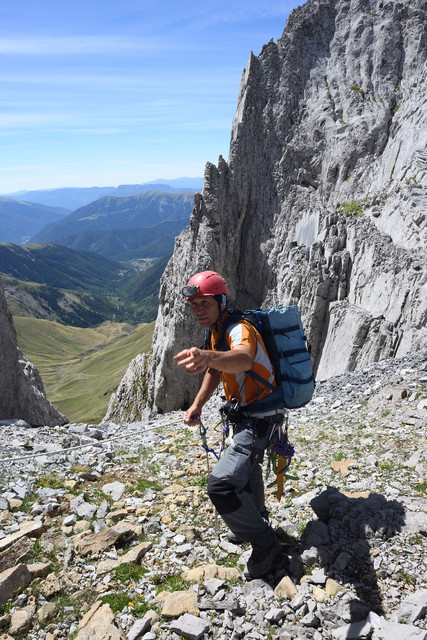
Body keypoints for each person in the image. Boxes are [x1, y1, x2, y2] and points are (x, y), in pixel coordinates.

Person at [174, 270, 283, 579]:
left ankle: (266, 544)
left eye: (204, 303)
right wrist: (197, 405)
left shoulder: (239, 329)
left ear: (221, 301)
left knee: (221, 486)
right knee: (246, 471)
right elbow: (215, 370)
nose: (198, 310)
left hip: (259, 418)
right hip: (247, 416)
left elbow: (243, 359)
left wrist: (207, 355)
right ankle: (255, 520)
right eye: (193, 305)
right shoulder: (217, 329)